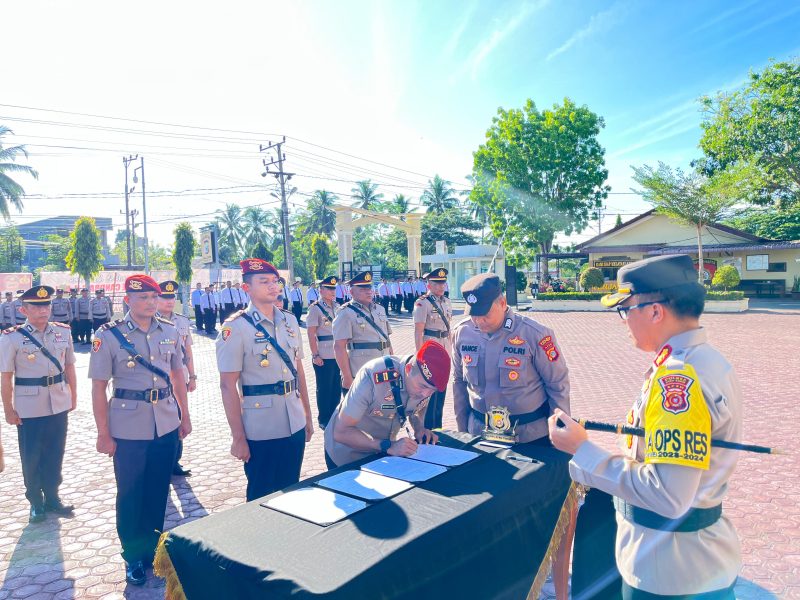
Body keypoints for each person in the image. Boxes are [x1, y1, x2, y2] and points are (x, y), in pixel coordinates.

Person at [548, 254, 743, 600]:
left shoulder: (678, 378)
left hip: (671, 574)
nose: (624, 321)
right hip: (687, 564)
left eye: (626, 310)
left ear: (654, 310)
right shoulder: (704, 361)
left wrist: (583, 452)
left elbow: (668, 496)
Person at [452, 272, 573, 600]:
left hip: (531, 441)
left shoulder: (535, 334)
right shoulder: (463, 333)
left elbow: (558, 385)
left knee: (536, 517)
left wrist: (559, 439)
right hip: (483, 440)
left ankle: (541, 581)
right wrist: (463, 433)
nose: (479, 321)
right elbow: (459, 384)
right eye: (473, 313)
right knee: (493, 514)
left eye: (485, 314)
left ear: (503, 303)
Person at [88, 274, 191, 586]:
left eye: (153, 297)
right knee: (131, 494)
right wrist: (103, 433)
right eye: (142, 297)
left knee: (158, 490)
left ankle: (153, 551)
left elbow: (177, 376)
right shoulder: (107, 335)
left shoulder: (171, 330)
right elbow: (98, 388)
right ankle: (133, 556)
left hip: (166, 422)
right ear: (128, 300)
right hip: (128, 426)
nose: (149, 302)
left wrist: (184, 417)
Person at [216, 259, 314, 502]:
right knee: (262, 496)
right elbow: (227, 385)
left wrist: (308, 417)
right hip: (261, 427)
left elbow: (298, 371)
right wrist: (238, 437)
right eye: (264, 282)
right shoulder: (235, 327)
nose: (273, 287)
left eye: (275, 281)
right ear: (246, 288)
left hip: (294, 421)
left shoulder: (289, 320)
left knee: (291, 491)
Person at [1, 285, 77, 523]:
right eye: (36, 306)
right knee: (31, 455)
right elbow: (5, 376)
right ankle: (35, 501)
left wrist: (73, 396)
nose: (43, 310)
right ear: (24, 309)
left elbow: (70, 366)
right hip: (29, 407)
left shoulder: (63, 332)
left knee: (56, 452)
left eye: (46, 305)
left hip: (58, 402)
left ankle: (53, 497)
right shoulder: (12, 337)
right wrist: (8, 410)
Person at [324, 341, 449, 469]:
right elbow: (341, 432)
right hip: (346, 455)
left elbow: (417, 409)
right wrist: (389, 446)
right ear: (408, 369)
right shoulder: (372, 377)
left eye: (432, 391)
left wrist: (419, 428)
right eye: (423, 387)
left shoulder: (422, 385)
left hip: (379, 454)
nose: (425, 395)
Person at [157, 280, 197, 478]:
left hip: (179, 377)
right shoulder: (150, 321)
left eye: (172, 297)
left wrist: (193, 375)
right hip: (160, 379)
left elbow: (187, 349)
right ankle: (163, 460)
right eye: (165, 297)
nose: (169, 301)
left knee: (180, 416)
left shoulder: (181, 320)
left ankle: (175, 461)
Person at [332, 271, 393, 396]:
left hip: (383, 369)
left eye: (369, 287)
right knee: (360, 412)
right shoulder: (345, 313)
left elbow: (386, 338)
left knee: (382, 410)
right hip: (361, 371)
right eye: (363, 288)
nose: (368, 291)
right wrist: (347, 376)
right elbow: (339, 347)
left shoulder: (379, 309)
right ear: (352, 292)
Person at [412, 268, 453, 430]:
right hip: (430, 352)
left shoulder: (447, 302)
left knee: (441, 389)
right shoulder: (422, 303)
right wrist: (419, 355)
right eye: (437, 283)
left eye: (443, 282)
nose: (441, 286)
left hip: (445, 350)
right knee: (429, 392)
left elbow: (448, 329)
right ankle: (428, 428)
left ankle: (438, 427)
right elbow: (418, 331)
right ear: (429, 284)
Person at [306, 276, 341, 429]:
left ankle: (334, 415)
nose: (333, 291)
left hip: (338, 354)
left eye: (334, 288)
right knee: (324, 387)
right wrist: (315, 355)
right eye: (329, 289)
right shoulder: (315, 308)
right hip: (324, 355)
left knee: (336, 387)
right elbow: (311, 333)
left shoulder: (338, 306)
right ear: (321, 290)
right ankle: (324, 418)